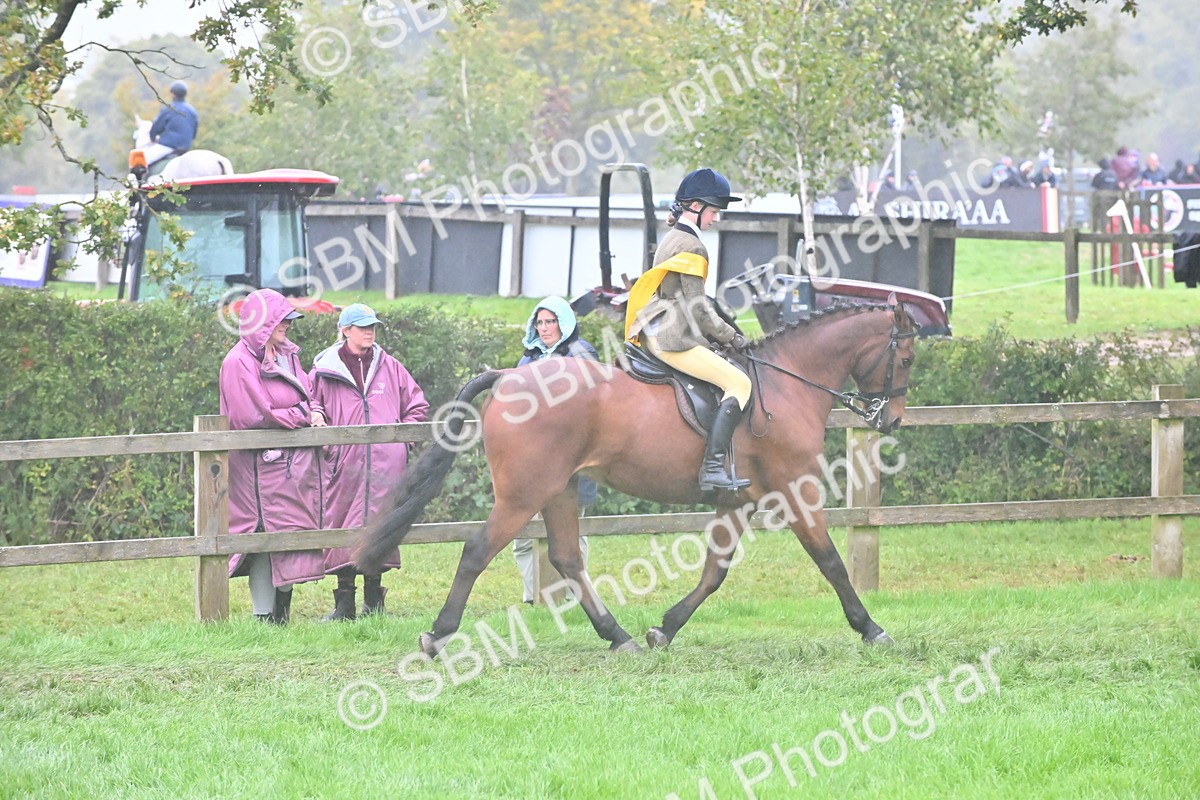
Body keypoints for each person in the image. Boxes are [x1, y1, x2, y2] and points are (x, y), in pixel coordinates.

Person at [625, 167, 752, 493]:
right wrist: (733, 337)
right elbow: (699, 309)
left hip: (657, 327)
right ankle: (711, 469)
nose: (715, 218)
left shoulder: (673, 237)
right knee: (739, 382)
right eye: (714, 211)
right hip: (672, 337)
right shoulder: (693, 247)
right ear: (695, 207)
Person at [309, 303, 429, 620]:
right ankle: (344, 604)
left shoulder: (390, 367)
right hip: (342, 467)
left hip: (385, 468)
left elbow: (416, 405)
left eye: (372, 326)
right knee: (341, 526)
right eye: (362, 326)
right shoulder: (324, 369)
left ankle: (374, 601)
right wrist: (316, 417)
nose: (369, 332)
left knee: (380, 527)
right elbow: (309, 401)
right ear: (345, 330)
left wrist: (403, 445)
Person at [219, 288, 326, 624]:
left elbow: (309, 395)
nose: (288, 326)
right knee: (262, 540)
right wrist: (301, 415)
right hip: (256, 469)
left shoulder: (288, 355)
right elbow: (253, 415)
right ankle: (263, 619)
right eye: (282, 320)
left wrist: (315, 411)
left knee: (287, 536)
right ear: (263, 323)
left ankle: (281, 616)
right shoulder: (237, 362)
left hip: (290, 467)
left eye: (289, 320)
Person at [510, 297, 599, 603]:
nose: (545, 328)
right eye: (540, 322)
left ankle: (576, 601)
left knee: (572, 535)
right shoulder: (528, 358)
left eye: (551, 321)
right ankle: (535, 599)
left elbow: (590, 404)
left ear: (564, 322)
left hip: (572, 462)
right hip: (532, 462)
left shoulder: (581, 352)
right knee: (523, 535)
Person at [143, 80, 199, 167]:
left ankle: (139, 181)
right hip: (185, 147)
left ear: (173, 94)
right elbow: (194, 134)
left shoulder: (169, 108)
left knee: (142, 160)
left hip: (168, 146)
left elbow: (156, 127)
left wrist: (152, 138)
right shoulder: (192, 111)